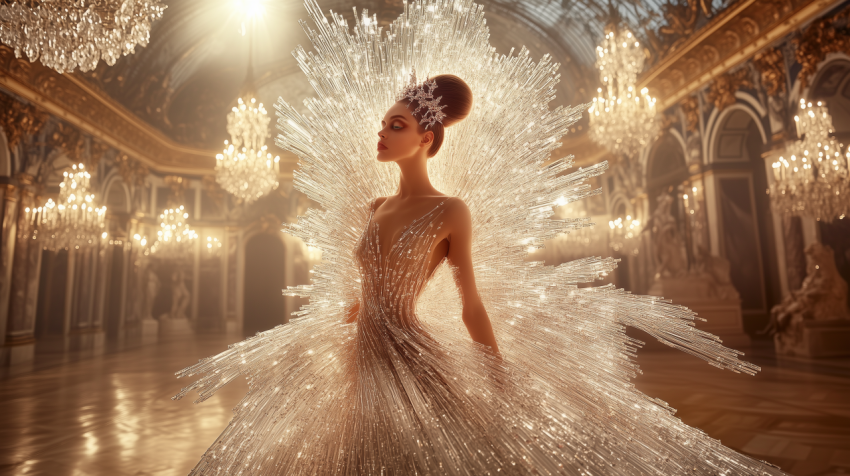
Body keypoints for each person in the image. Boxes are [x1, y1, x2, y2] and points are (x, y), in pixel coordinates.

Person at [175, 1, 785, 474]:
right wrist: (341, 320)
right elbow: (365, 288)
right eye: (383, 123)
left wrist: (497, 374)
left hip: (412, 350)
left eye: (397, 125)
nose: (382, 134)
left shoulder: (451, 210)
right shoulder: (374, 204)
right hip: (361, 351)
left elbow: (469, 303)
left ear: (426, 139)